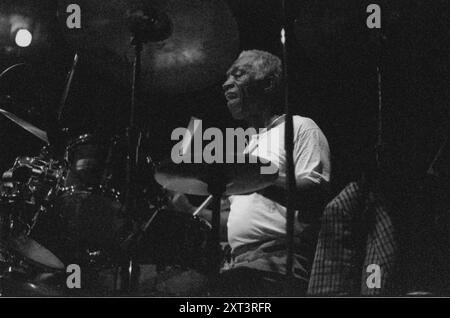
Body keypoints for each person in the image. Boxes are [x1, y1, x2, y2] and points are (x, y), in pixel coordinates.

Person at [168, 50, 331, 296]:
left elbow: (314, 196)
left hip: (277, 264)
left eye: (239, 74)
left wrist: (253, 177)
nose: (225, 83)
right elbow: (236, 226)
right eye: (226, 77)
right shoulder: (249, 146)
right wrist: (189, 211)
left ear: (268, 83)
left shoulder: (299, 127)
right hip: (239, 263)